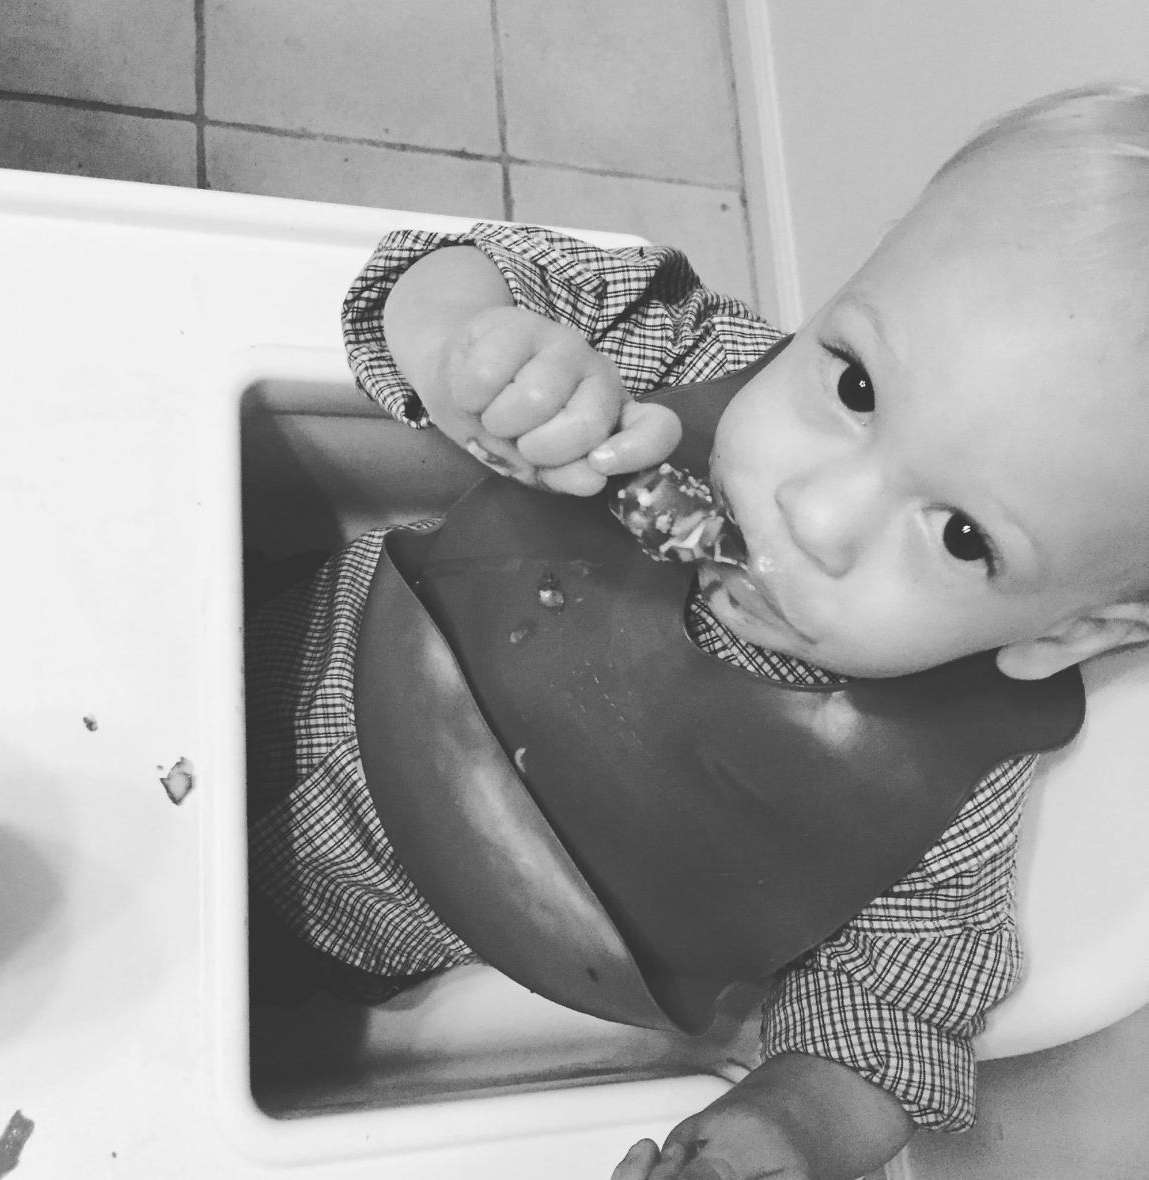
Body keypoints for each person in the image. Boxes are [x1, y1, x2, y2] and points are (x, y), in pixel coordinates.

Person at [248, 85, 1149, 1179]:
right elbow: (444, 270)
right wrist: (475, 352)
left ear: (1067, 633)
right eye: (856, 383)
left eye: (962, 536)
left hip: (359, 922)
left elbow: (885, 1026)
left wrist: (788, 1131)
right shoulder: (680, 357)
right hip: (260, 655)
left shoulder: (949, 795)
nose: (816, 514)